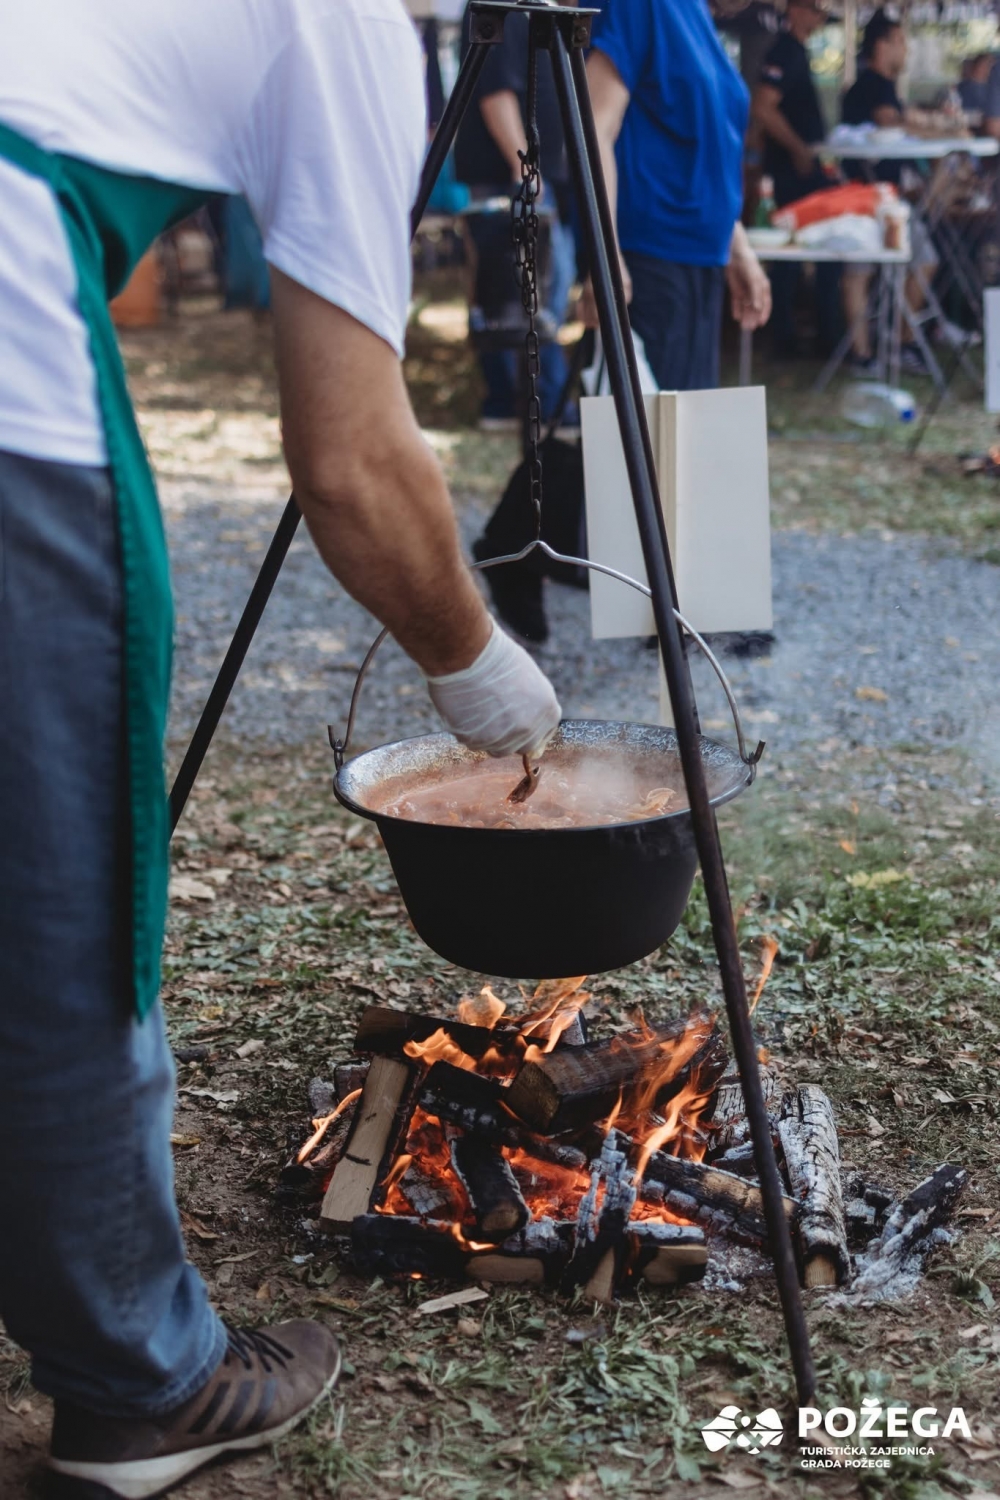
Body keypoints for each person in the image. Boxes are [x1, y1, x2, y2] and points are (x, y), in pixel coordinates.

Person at [0, 3, 561, 1496]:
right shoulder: (350, 22)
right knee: (53, 893)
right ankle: (141, 1388)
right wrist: (481, 670)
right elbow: (355, 462)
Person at [584, 0, 772, 392]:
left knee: (686, 441)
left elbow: (702, 146)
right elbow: (593, 128)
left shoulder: (696, 12)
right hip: (651, 260)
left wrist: (736, 245)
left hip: (702, 260)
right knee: (652, 444)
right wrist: (604, 254)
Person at [455, 0, 577, 431]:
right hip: (510, 179)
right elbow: (495, 95)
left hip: (522, 177)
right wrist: (525, 167)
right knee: (526, 288)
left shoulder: (532, 11)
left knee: (529, 287)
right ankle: (531, 401)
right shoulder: (498, 5)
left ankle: (515, 400)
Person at [840, 7, 940, 373]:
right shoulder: (871, 85)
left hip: (891, 200)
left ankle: (900, 341)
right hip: (861, 198)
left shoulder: (885, 87)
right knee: (858, 273)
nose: (906, 50)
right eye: (900, 41)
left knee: (925, 259)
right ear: (881, 45)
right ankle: (861, 353)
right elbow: (891, 120)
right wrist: (935, 126)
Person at [752, 0, 843, 356]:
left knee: (810, 254)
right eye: (814, 9)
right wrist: (797, 148)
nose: (820, 17)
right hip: (793, 172)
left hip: (800, 167)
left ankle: (812, 333)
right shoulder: (784, 50)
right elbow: (763, 106)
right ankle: (788, 337)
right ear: (795, 10)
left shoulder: (796, 51)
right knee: (791, 254)